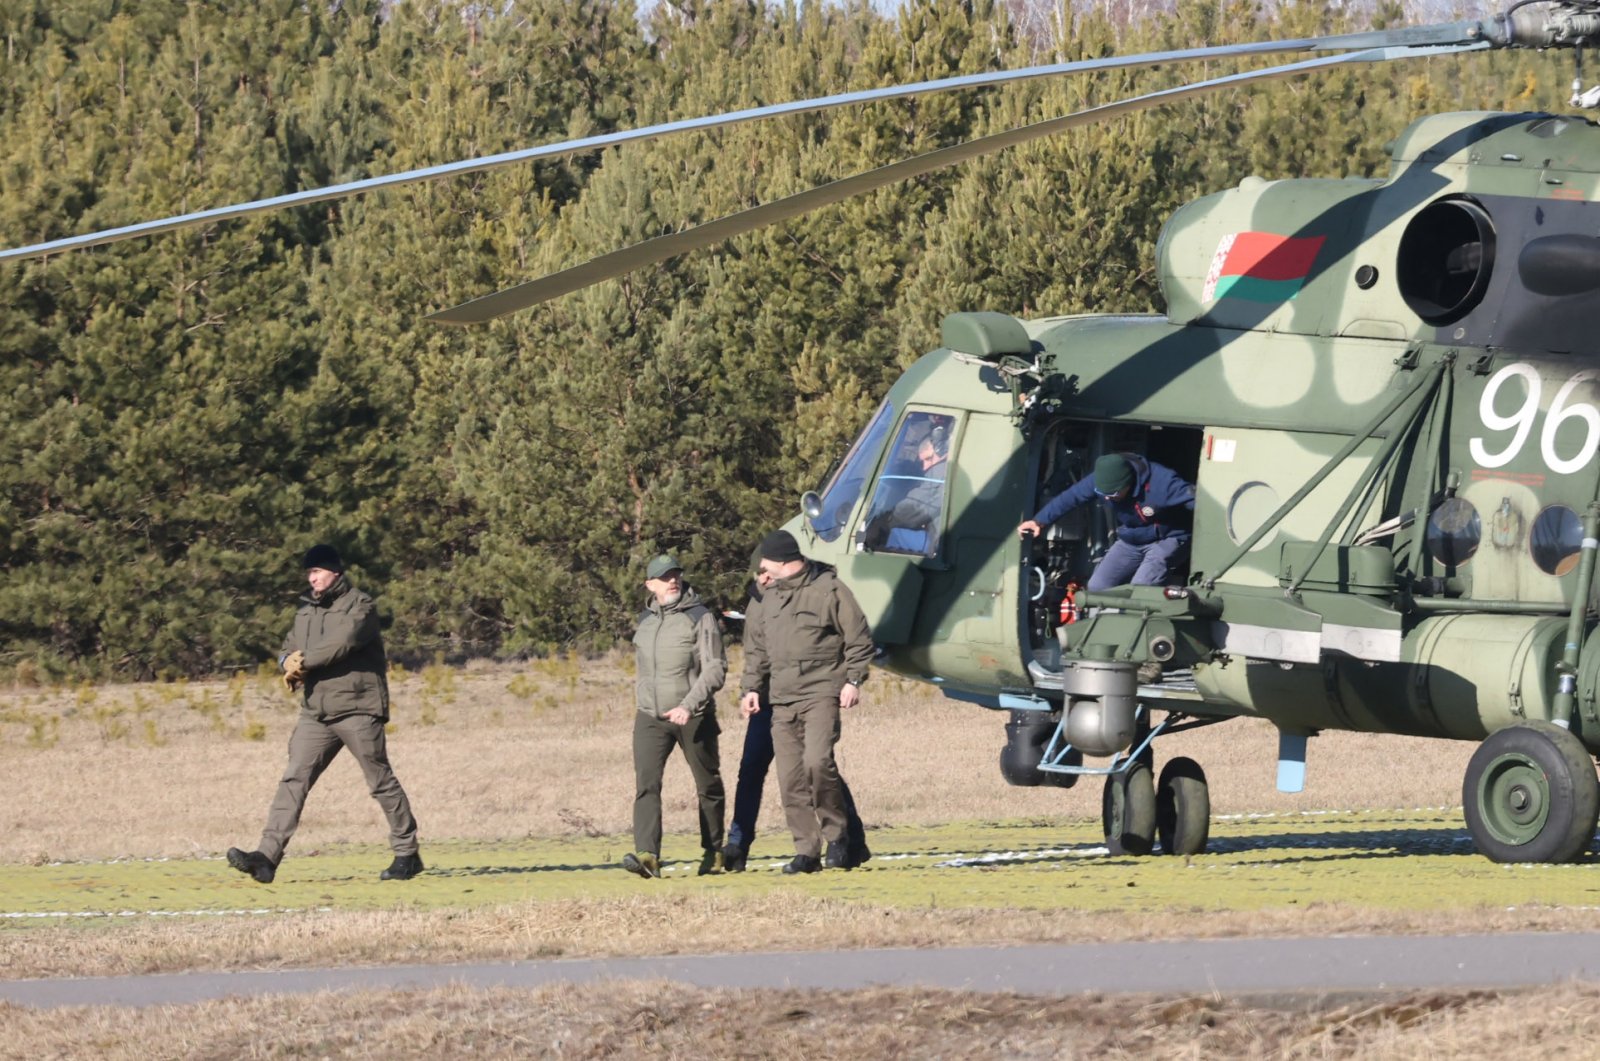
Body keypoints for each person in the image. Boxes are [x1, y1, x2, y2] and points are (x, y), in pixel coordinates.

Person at [226, 544, 421, 885]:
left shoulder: (360, 606)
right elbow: (288, 645)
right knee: (293, 779)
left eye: (316, 571)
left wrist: (303, 662)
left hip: (358, 707)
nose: (312, 578)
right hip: (316, 711)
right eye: (308, 573)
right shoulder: (305, 612)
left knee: (380, 781)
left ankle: (407, 853)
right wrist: (286, 661)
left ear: (335, 572)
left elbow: (342, 644)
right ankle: (266, 858)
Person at [739, 529, 875, 874]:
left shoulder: (829, 590)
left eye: (767, 563)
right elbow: (757, 649)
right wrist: (751, 688)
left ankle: (839, 835)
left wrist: (853, 680)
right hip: (782, 700)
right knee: (791, 779)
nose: (762, 571)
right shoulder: (768, 598)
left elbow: (858, 639)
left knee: (817, 762)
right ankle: (807, 851)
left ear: (784, 561)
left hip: (821, 692)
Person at [623, 554, 727, 879]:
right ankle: (647, 855)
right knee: (646, 785)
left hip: (693, 716)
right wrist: (643, 700)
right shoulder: (645, 620)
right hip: (650, 718)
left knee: (707, 785)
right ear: (650, 584)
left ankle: (713, 852)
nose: (673, 581)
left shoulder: (700, 617)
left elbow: (716, 669)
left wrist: (688, 704)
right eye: (665, 576)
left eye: (676, 574)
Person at [1017, 452, 1195, 590]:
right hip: (1133, 538)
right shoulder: (1100, 481)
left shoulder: (1164, 484)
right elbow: (1070, 498)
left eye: (1114, 494)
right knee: (1098, 586)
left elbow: (1202, 504)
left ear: (1129, 483)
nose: (1108, 499)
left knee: (1142, 587)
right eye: (1104, 496)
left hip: (1169, 537)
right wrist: (1039, 521)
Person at [863, 426, 949, 553]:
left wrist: (883, 521)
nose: (925, 467)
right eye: (922, 462)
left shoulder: (941, 472)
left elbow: (910, 511)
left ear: (942, 450)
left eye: (928, 459)